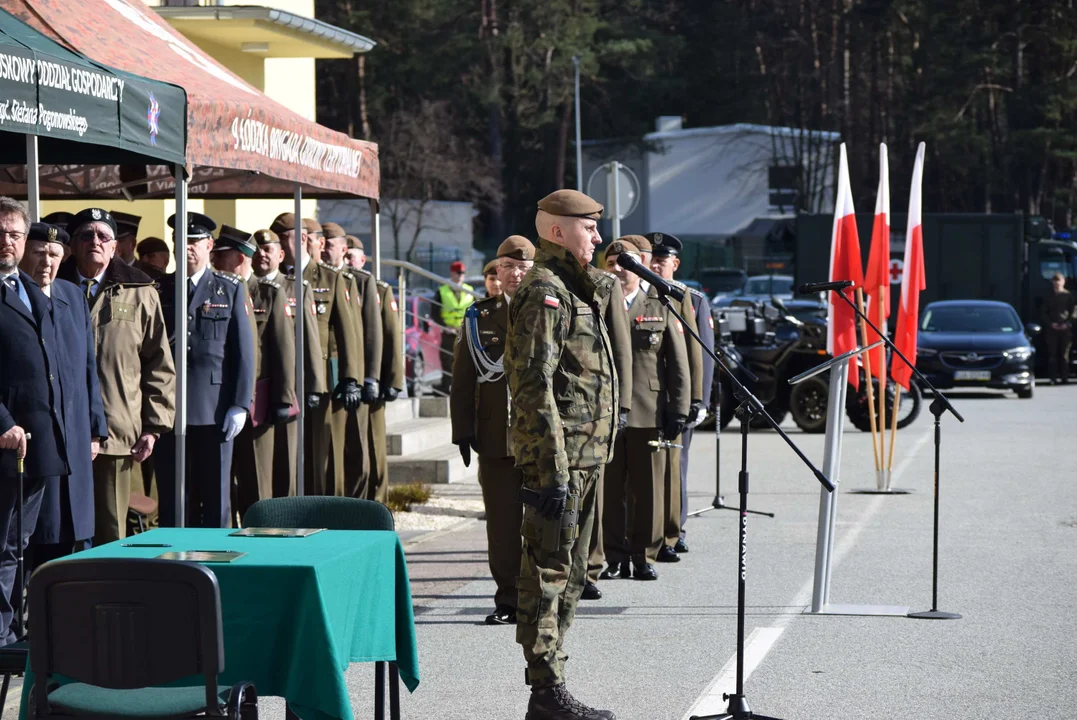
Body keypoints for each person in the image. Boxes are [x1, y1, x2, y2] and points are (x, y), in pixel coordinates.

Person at [504, 189, 619, 720]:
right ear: (556, 231)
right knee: (548, 573)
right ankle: (545, 691)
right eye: (588, 229)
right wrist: (551, 468)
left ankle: (552, 686)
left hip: (586, 456)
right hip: (562, 461)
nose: (597, 237)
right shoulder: (545, 290)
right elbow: (532, 383)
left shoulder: (577, 287)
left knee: (571, 572)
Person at [58, 208, 175, 545]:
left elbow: (159, 363)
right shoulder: (52, 284)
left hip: (118, 433)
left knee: (112, 531)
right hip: (61, 431)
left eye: (103, 236)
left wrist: (153, 426)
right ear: (73, 245)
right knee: (62, 530)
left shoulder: (140, 290)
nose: (95, 241)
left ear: (115, 248)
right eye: (86, 235)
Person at [0, 198, 76, 643]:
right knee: (3, 544)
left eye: (14, 233)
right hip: (8, 439)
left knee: (19, 543)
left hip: (39, 442)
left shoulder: (28, 288)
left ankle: (11, 628)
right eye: (1, 231)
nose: (7, 241)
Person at [452, 235, 534, 626]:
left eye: (523, 268)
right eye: (507, 267)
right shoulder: (478, 317)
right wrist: (463, 430)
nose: (515, 274)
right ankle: (508, 599)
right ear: (496, 272)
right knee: (502, 527)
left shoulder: (549, 310)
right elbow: (463, 379)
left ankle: (542, 599)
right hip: (496, 436)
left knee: (544, 525)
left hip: (542, 439)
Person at [155, 212, 255, 528]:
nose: (186, 247)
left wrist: (240, 404)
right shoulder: (160, 288)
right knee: (174, 498)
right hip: (169, 409)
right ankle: (175, 564)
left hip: (214, 408)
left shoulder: (229, 289)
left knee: (216, 496)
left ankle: (215, 564)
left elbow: (244, 351)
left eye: (193, 241)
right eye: (179, 240)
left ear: (209, 245)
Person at [599, 238, 690, 583]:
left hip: (648, 410)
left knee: (647, 490)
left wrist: (678, 409)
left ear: (640, 267)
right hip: (607, 411)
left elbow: (677, 361)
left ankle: (643, 555)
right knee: (611, 490)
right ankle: (613, 555)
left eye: (626, 262)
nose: (619, 269)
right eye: (612, 263)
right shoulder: (597, 303)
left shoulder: (658, 303)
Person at [19, 221, 108, 571]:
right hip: (36, 433)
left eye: (55, 255)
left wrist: (96, 428)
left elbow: (89, 367)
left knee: (77, 522)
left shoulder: (72, 295)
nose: (47, 262)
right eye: (40, 253)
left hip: (76, 432)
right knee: (42, 526)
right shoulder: (14, 295)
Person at [271, 212, 362, 496]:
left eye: (287, 238)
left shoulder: (331, 278)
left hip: (321, 379)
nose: (284, 245)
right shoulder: (274, 280)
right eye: (279, 240)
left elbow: (348, 332)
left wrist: (350, 377)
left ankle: (327, 515)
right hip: (280, 378)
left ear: (303, 239)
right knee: (285, 455)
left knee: (323, 452)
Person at [212, 226, 295, 520]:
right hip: (218, 399)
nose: (212, 261)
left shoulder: (268, 294)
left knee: (256, 478)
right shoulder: (213, 292)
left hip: (258, 402)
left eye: (218, 256)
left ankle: (261, 537)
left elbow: (283, 348)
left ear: (237, 258)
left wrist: (282, 398)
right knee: (221, 479)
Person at [648, 231, 713, 554]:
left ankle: (677, 527)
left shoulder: (693, 300)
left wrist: (700, 400)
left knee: (677, 464)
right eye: (652, 260)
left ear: (675, 263)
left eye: (661, 261)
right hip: (646, 396)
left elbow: (703, 355)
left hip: (680, 398)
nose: (656, 267)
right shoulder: (635, 298)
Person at [252, 227, 325, 497]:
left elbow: (310, 338)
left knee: (286, 459)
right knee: (258, 462)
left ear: (281, 254)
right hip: (259, 386)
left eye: (268, 249)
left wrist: (313, 386)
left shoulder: (296, 287)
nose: (261, 254)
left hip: (289, 386)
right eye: (257, 249)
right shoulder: (246, 288)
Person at [343, 235, 404, 504]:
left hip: (374, 381)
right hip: (351, 381)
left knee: (375, 445)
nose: (347, 261)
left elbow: (390, 335)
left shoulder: (378, 289)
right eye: (344, 256)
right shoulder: (339, 286)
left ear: (362, 259)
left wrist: (391, 379)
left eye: (351, 256)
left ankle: (378, 501)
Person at [322, 222, 381, 499]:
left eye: (330, 245)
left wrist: (370, 377)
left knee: (356, 445)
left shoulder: (360, 281)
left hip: (353, 375)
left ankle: (358, 502)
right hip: (326, 373)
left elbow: (371, 332)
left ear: (344, 250)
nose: (323, 251)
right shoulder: (316, 280)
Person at [437, 260, 474, 393]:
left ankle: (464, 387)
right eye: (458, 273)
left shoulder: (470, 290)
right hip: (448, 331)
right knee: (447, 359)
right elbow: (435, 312)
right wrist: (445, 326)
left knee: (464, 360)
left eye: (463, 273)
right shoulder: (442, 290)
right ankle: (446, 386)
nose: (461, 276)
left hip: (465, 331)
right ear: (452, 273)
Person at [1043, 272, 1075, 385]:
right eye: (1055, 281)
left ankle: (1064, 377)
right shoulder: (1049, 296)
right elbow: (1044, 313)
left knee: (1064, 355)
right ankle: (1052, 378)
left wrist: (1068, 323)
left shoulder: (1068, 296)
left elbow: (1074, 311)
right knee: (1052, 355)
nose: (1057, 283)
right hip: (1052, 329)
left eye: (1059, 281)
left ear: (1063, 282)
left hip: (1065, 329)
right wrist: (1051, 324)